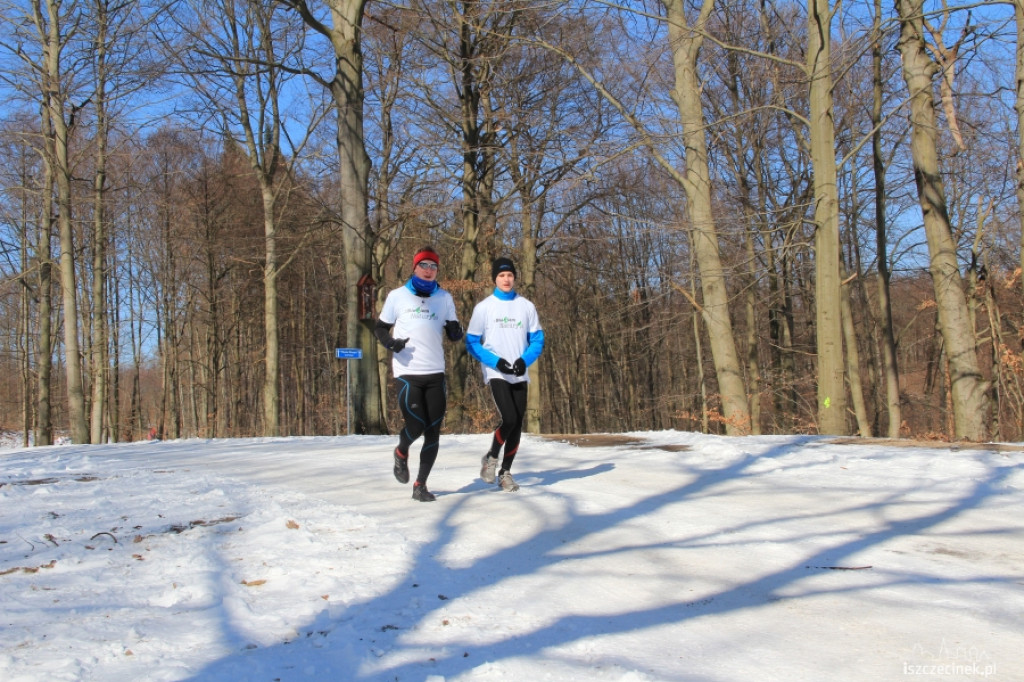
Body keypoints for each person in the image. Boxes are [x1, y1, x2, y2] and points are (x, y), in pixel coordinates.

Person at [375, 246, 463, 502]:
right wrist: (391, 344)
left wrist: (457, 332)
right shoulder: (397, 296)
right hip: (407, 371)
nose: (428, 270)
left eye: (433, 266)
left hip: (435, 371)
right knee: (416, 424)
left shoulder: (444, 298)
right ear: (414, 268)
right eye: (423, 265)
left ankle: (420, 485)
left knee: (433, 431)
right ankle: (401, 452)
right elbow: (380, 328)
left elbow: (453, 332)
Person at [465, 257, 544, 492]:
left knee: (517, 424)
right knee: (509, 418)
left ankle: (505, 472)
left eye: (509, 275)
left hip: (519, 372)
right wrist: (496, 361)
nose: (506, 279)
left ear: (514, 277)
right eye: (501, 275)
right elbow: (472, 342)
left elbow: (538, 339)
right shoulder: (484, 307)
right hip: (496, 370)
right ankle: (491, 457)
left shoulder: (526, 306)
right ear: (494, 279)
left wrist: (524, 360)